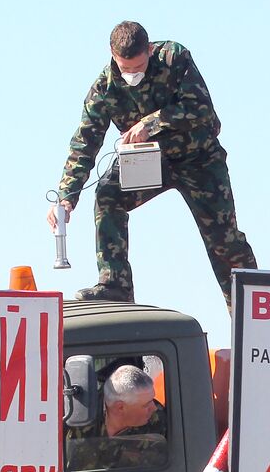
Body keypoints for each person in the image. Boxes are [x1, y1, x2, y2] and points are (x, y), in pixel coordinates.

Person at [47, 21, 257, 311]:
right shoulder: (104, 89)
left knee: (224, 241)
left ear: (148, 49)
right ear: (112, 54)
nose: (133, 75)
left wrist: (151, 123)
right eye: (126, 68)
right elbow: (85, 143)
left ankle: (250, 310)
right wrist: (66, 198)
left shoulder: (174, 58)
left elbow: (201, 108)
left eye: (139, 67)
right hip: (148, 163)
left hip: (199, 160)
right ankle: (115, 284)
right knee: (108, 196)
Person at [66, 365, 168, 471]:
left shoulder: (157, 420)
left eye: (152, 400)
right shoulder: (77, 419)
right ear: (120, 407)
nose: (154, 408)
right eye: (146, 404)